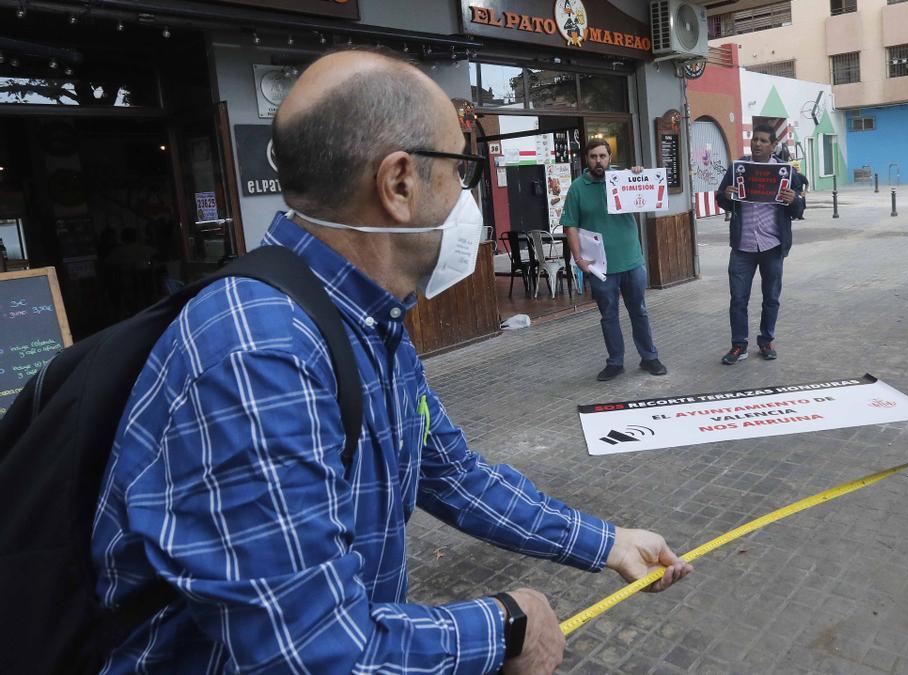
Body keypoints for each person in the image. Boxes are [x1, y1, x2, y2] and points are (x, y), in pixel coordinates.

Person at [91, 49, 691, 674]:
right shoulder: (261, 354)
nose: (468, 196)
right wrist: (507, 626)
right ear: (400, 183)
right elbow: (313, 654)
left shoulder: (366, 319)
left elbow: (450, 473)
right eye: (463, 168)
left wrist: (608, 542)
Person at [562, 138, 668, 381]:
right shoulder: (577, 188)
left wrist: (640, 175)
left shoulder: (623, 178)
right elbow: (570, 226)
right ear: (586, 159)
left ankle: (649, 357)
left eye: (602, 156)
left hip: (631, 260)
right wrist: (579, 259)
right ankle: (615, 362)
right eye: (593, 157)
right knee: (608, 316)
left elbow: (647, 194)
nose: (598, 161)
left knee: (639, 311)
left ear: (610, 158)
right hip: (601, 266)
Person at [715, 124, 804, 365]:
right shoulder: (738, 168)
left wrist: (793, 200)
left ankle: (766, 340)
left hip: (772, 246)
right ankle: (738, 345)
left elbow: (799, 208)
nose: (757, 144)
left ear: (773, 145)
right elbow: (721, 197)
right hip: (742, 247)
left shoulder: (785, 172)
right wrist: (726, 195)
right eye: (755, 139)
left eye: (764, 140)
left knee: (771, 297)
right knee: (738, 299)